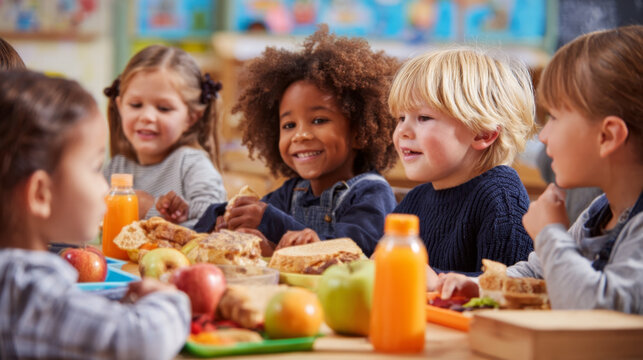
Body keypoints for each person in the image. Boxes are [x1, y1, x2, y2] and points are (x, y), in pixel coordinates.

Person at [436, 25, 643, 314]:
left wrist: (549, 233)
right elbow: (540, 275)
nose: (543, 136)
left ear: (607, 136)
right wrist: (483, 286)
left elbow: (599, 309)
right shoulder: (599, 211)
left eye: (555, 118)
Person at [0, 70, 190, 359]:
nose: (104, 185)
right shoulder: (22, 292)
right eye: (93, 169)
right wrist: (173, 301)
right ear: (40, 194)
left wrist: (117, 297)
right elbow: (140, 341)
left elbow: (68, 307)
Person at [194, 26, 399, 257]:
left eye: (319, 120)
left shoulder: (372, 193)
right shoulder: (292, 191)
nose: (300, 135)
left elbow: (350, 251)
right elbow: (252, 213)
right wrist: (222, 218)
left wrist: (269, 221)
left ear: (360, 133)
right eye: (289, 125)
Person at [389, 47, 536, 273]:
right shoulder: (416, 200)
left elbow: (508, 290)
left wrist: (433, 280)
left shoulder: (501, 195)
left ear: (482, 134)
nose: (402, 131)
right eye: (401, 118)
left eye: (424, 118)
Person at [104, 44, 226, 227]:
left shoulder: (190, 163)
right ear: (120, 106)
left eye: (164, 108)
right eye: (136, 105)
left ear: (191, 117)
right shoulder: (117, 166)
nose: (146, 116)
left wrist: (149, 209)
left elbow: (217, 215)